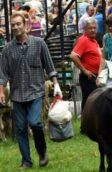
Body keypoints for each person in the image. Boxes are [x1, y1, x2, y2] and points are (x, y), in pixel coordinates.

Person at [0, 13, 62, 169]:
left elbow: (50, 66)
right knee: (20, 129)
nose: (15, 27)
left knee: (35, 123)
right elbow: (2, 74)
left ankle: (42, 152)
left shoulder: (39, 43)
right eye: (12, 25)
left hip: (35, 92)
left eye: (18, 24)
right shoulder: (7, 49)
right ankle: (26, 161)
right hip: (17, 94)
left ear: (25, 24)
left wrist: (56, 85)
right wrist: (1, 91)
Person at [70, 17, 103, 112]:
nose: (93, 30)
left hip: (95, 76)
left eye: (94, 28)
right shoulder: (83, 40)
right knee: (90, 102)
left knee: (94, 102)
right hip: (89, 77)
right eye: (90, 28)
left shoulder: (94, 40)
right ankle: (86, 124)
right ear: (84, 29)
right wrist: (84, 70)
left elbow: (94, 53)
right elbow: (73, 56)